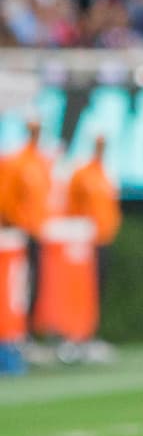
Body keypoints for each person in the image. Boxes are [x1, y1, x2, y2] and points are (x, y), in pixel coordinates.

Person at [0, 119, 54, 317]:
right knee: (17, 284)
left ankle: (28, 330)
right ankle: (14, 330)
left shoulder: (42, 161)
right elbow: (5, 197)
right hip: (19, 231)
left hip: (37, 230)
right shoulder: (16, 161)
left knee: (35, 282)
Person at [66, 134, 122, 300]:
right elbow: (72, 205)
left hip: (104, 238)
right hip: (85, 240)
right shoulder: (82, 174)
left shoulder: (108, 174)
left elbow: (113, 207)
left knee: (98, 288)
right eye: (98, 145)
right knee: (82, 289)